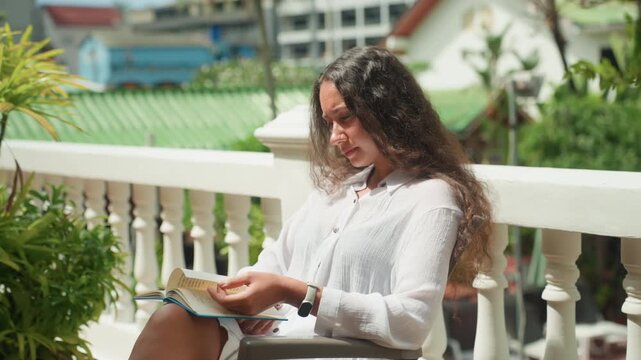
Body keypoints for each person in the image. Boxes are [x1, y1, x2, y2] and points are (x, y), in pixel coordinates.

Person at [129, 46, 492, 360]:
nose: (334, 137)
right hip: (273, 340)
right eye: (328, 122)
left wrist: (295, 293)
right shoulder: (336, 190)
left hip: (325, 352)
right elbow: (276, 261)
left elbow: (411, 320)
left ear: (387, 109)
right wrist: (251, 296)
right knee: (173, 317)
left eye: (345, 118)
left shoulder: (431, 198)